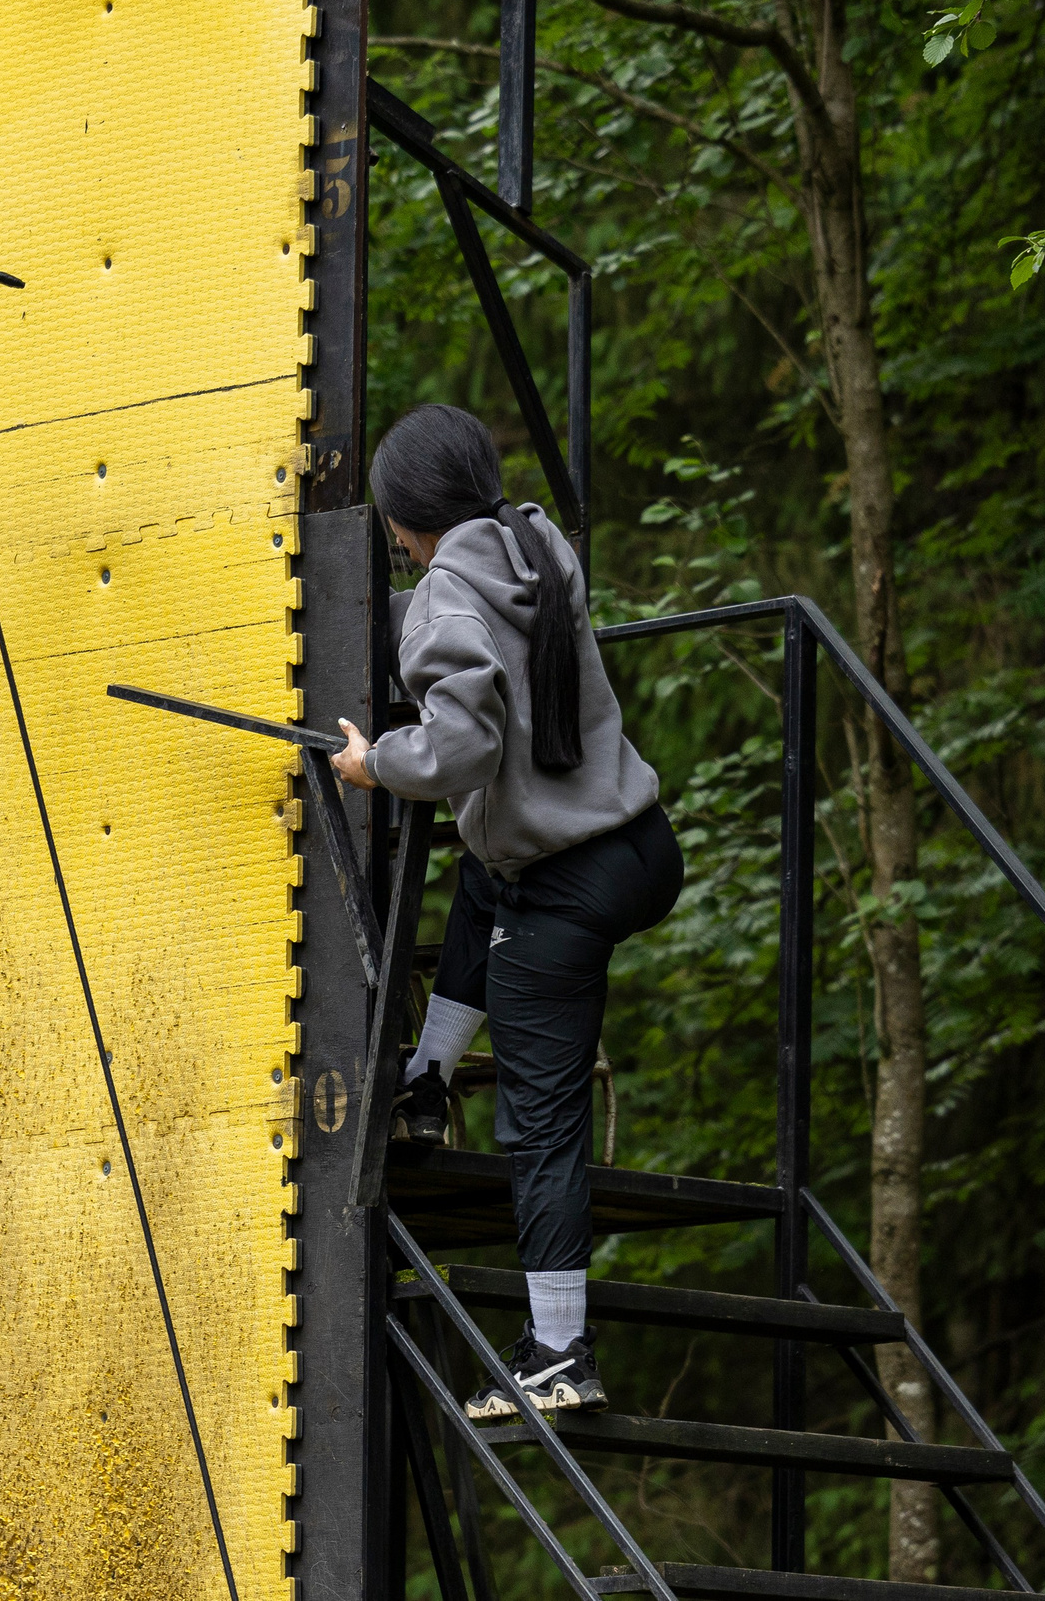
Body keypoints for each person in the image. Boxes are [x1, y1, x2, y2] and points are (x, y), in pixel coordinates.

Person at [329, 403, 683, 1420]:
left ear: (405, 515)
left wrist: (374, 763)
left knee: (540, 1121)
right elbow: (482, 641)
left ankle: (557, 1354)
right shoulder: (532, 543)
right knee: (485, 867)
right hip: (638, 844)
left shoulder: (443, 592)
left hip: (565, 884)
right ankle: (430, 1074)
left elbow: (460, 749)